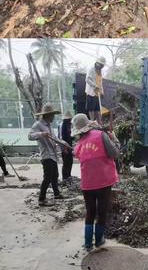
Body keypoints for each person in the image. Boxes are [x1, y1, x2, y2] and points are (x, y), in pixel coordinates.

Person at [72, 113, 120, 250]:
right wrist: (115, 139)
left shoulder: (79, 143)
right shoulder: (101, 135)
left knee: (90, 212)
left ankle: (88, 243)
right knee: (102, 211)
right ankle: (99, 240)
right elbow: (115, 153)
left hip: (87, 184)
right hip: (104, 181)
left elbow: (75, 153)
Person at [28, 104, 64, 206]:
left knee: (55, 176)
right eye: (52, 115)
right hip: (46, 155)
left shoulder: (49, 126)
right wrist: (41, 134)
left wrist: (63, 144)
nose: (53, 117)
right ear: (48, 115)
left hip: (53, 155)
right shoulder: (38, 125)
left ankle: (56, 193)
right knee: (48, 177)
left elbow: (55, 139)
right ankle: (41, 199)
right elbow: (30, 136)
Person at [85, 57, 106, 123]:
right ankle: (92, 122)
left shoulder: (100, 72)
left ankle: (99, 123)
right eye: (101, 64)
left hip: (97, 94)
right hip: (91, 92)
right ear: (97, 63)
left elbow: (100, 83)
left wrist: (102, 92)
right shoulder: (91, 69)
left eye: (102, 65)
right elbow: (87, 79)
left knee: (98, 110)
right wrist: (94, 85)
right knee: (91, 109)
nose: (102, 66)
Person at [59, 110, 74, 182]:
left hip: (69, 146)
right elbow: (61, 138)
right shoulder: (62, 125)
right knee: (66, 163)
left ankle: (69, 176)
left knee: (70, 162)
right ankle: (65, 178)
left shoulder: (69, 124)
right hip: (64, 146)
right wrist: (64, 148)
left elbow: (71, 136)